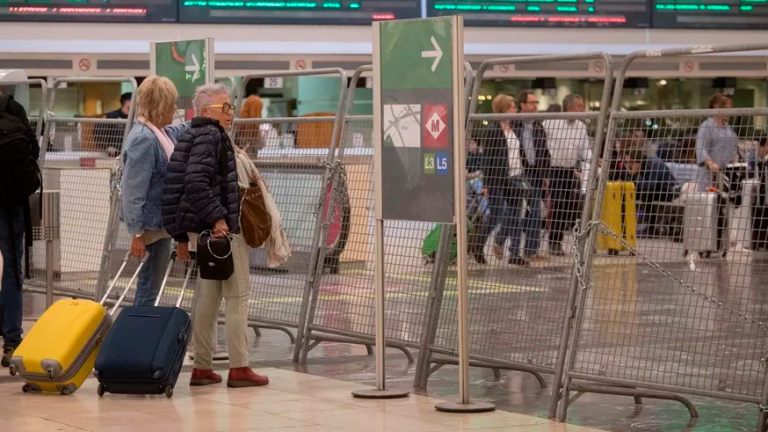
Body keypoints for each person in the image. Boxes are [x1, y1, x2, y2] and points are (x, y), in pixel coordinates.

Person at [163, 83, 268, 388]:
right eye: (225, 108)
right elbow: (196, 183)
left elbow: (177, 189)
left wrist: (182, 236)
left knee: (207, 297)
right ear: (205, 111)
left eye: (230, 107)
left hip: (200, 231)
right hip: (222, 230)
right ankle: (239, 367)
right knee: (237, 296)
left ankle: (203, 366)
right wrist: (219, 218)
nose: (230, 113)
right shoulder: (211, 135)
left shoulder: (190, 135)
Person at [121, 76, 189, 307]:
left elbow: (180, 130)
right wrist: (137, 233)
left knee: (151, 286)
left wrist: (204, 119)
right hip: (149, 227)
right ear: (161, 105)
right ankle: (139, 335)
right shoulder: (144, 139)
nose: (176, 108)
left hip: (158, 224)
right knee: (149, 288)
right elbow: (133, 189)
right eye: (172, 103)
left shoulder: (158, 132)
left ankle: (140, 332)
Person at [0, 91, 40, 367]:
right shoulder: (13, 107)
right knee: (13, 269)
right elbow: (33, 152)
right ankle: (12, 341)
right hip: (11, 202)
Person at [473, 95, 528, 267]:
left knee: (515, 215)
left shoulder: (514, 130)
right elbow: (487, 159)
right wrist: (487, 183)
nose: (515, 110)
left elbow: (518, 154)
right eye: (512, 107)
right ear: (504, 109)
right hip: (498, 178)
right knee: (497, 213)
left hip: (515, 177)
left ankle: (514, 253)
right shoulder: (492, 131)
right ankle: (478, 245)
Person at [541, 94, 590, 256]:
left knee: (568, 206)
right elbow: (541, 145)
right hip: (553, 170)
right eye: (580, 106)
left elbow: (585, 150)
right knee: (559, 203)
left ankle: (557, 241)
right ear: (570, 108)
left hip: (569, 171)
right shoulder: (550, 123)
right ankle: (553, 242)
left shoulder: (581, 127)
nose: (582, 109)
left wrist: (595, 159)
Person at [513, 90, 551, 261]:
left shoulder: (538, 125)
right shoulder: (514, 124)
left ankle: (531, 249)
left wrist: (545, 175)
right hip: (519, 173)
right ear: (522, 105)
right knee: (518, 211)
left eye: (536, 103)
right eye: (532, 103)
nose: (536, 106)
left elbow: (544, 152)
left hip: (535, 174)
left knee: (533, 210)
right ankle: (512, 249)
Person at [696, 93, 738, 192]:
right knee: (709, 202)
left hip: (726, 174)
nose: (729, 111)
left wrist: (735, 159)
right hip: (710, 174)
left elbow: (733, 147)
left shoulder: (728, 128)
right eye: (727, 108)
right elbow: (700, 148)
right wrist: (711, 163)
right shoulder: (706, 126)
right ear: (717, 107)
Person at [97, 92, 132, 156]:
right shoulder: (111, 116)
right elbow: (98, 133)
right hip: (113, 154)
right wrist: (106, 147)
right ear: (127, 103)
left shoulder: (136, 118)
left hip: (130, 153)